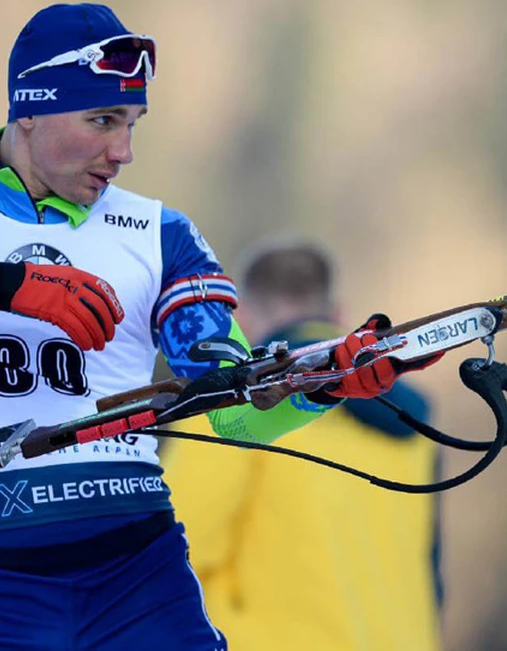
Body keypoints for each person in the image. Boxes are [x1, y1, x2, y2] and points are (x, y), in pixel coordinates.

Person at [0, 4, 440, 651]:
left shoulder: (161, 234)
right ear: (28, 108)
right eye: (102, 120)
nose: (123, 151)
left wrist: (326, 385)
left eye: (132, 123)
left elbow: (234, 408)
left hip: (143, 586)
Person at [161, 240, 443, 651]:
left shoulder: (235, 406)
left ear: (243, 318)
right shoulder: (415, 425)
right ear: (338, 315)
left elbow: (173, 553)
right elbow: (431, 577)